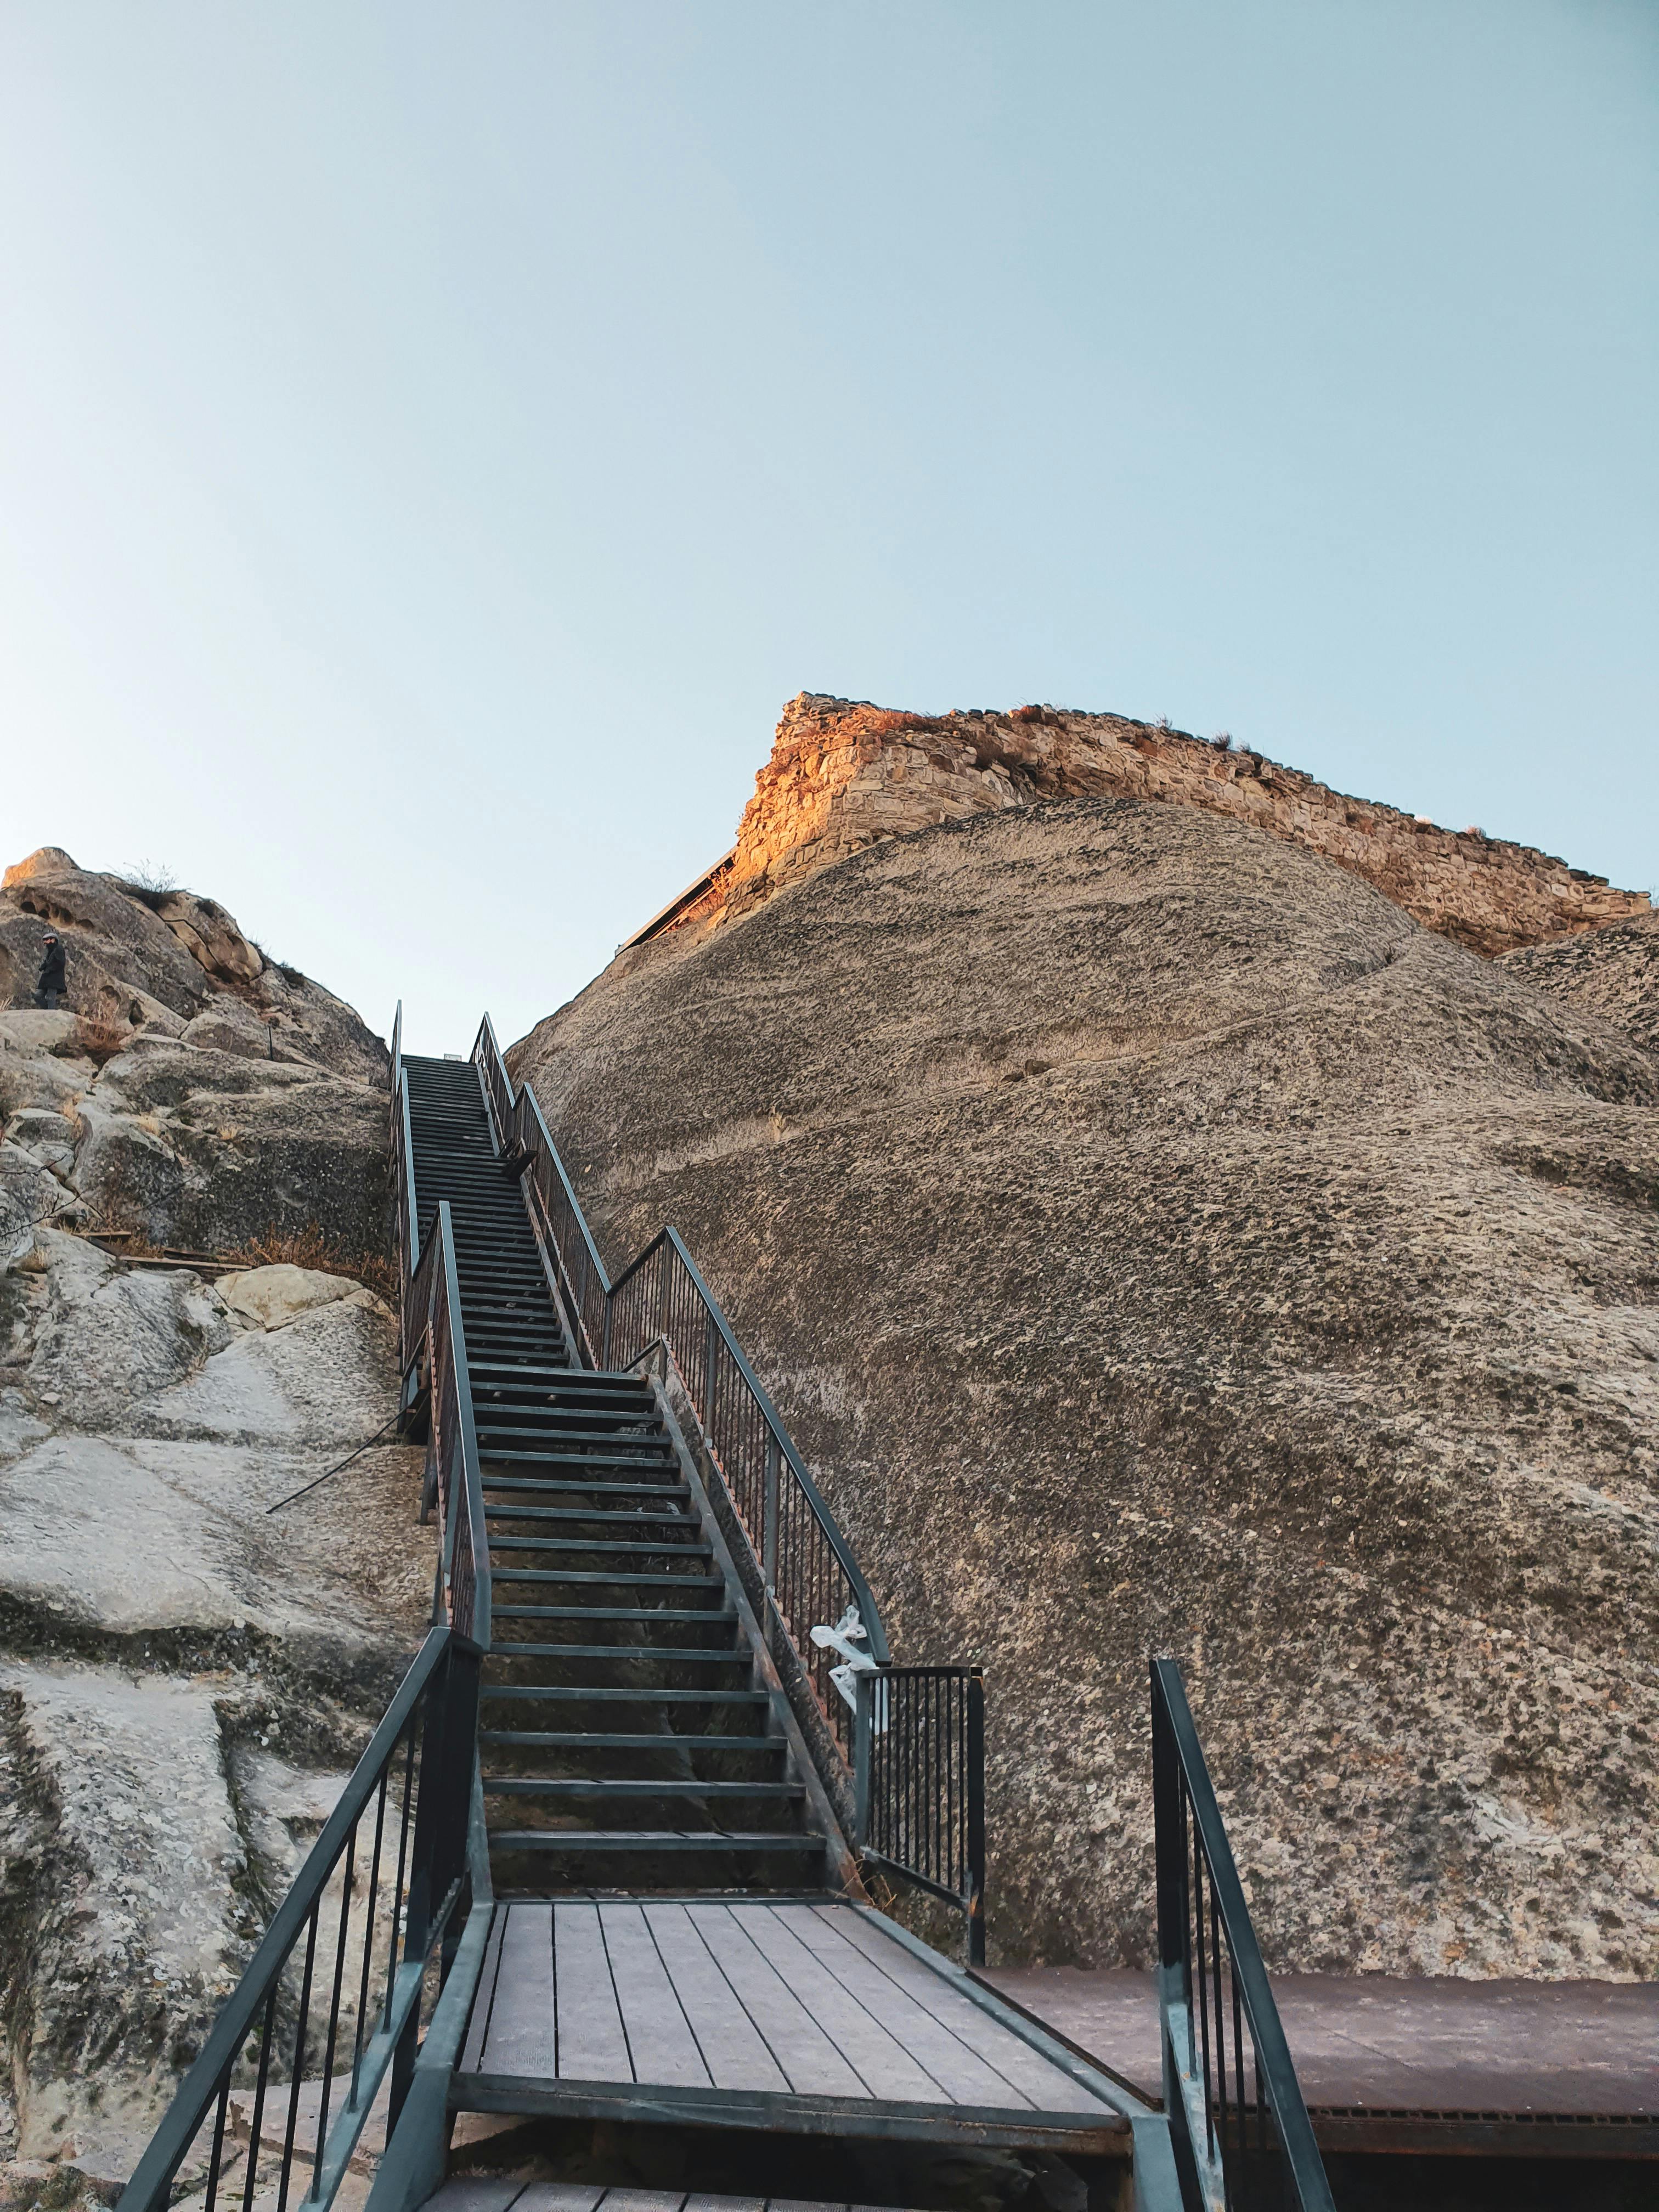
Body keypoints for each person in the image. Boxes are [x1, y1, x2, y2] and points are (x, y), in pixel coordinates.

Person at [35, 933, 66, 1010]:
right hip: (47, 978)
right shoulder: (51, 950)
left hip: (55, 979)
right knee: (37, 996)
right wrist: (43, 967)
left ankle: (51, 1014)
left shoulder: (59, 949)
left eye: (46, 940)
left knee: (50, 998)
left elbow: (61, 963)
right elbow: (49, 961)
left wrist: (51, 969)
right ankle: (47, 1012)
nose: (45, 942)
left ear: (53, 940)